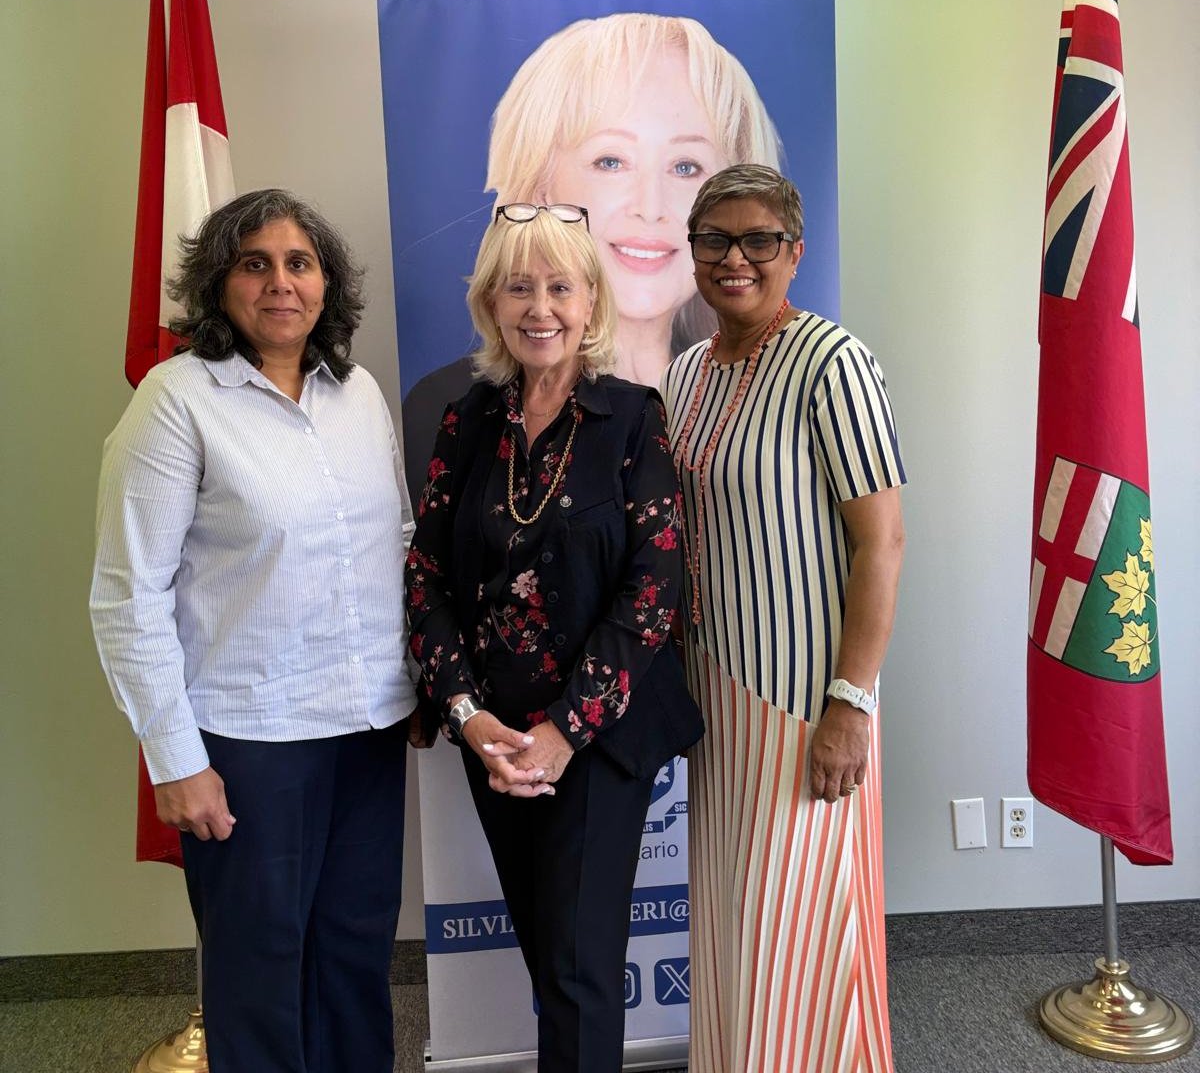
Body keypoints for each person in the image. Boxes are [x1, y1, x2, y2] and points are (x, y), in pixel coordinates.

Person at [89, 189, 420, 1073]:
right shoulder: (176, 401)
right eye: (255, 263)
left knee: (354, 955)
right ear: (219, 283)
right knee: (259, 974)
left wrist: (420, 681)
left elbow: (395, 543)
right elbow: (127, 595)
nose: (281, 282)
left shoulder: (357, 394)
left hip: (367, 727)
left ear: (326, 283)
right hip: (249, 741)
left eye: (299, 263)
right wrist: (175, 759)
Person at [405, 204, 703, 1073]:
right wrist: (467, 715)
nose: (540, 308)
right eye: (519, 287)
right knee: (549, 955)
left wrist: (563, 732)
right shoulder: (467, 421)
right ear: (490, 303)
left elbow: (654, 591)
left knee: (578, 971)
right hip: (493, 739)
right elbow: (425, 575)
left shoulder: (632, 418)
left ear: (590, 301)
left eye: (561, 288)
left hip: (596, 739)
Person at [662, 165, 906, 1073]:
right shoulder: (685, 374)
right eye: (714, 239)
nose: (736, 258)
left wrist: (851, 704)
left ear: (794, 252)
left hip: (804, 703)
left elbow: (883, 542)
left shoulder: (832, 362)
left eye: (758, 239)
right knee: (735, 924)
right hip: (716, 700)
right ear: (693, 253)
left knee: (800, 933)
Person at [401, 12, 782, 499]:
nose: (650, 207)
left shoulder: (756, 394)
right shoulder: (449, 409)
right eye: (611, 161)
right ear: (540, 185)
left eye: (686, 166)